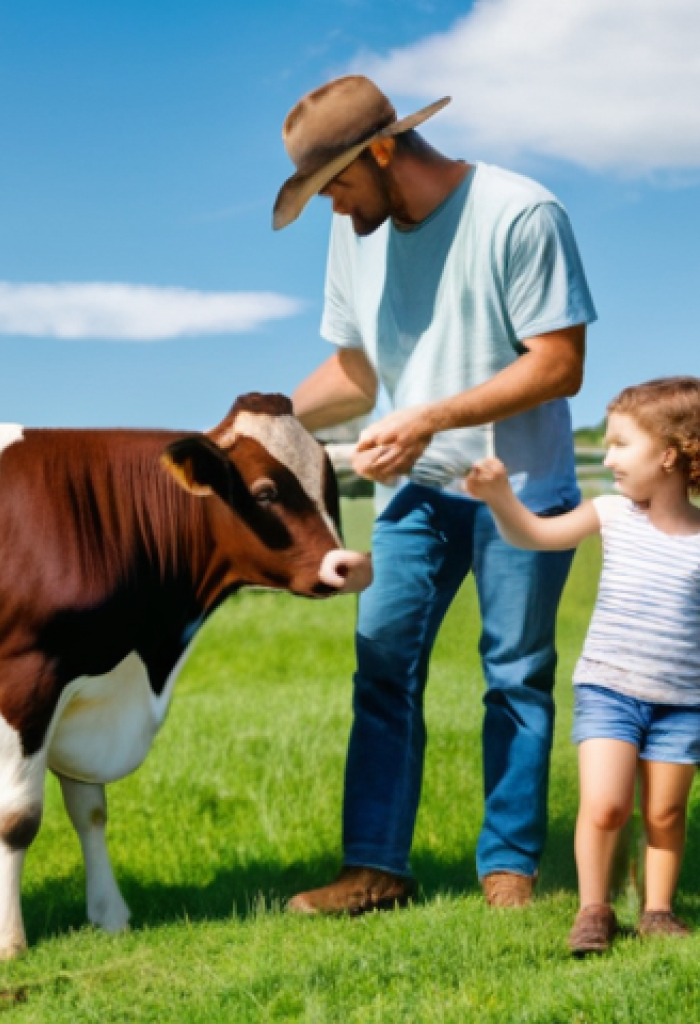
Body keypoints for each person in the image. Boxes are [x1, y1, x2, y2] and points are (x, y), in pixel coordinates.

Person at [274, 75, 597, 914]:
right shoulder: (359, 233)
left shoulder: (522, 214)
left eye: (337, 186)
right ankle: (375, 869)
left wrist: (431, 418)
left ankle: (508, 875)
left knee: (515, 675)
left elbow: (560, 363)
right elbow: (354, 375)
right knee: (381, 666)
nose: (336, 210)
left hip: (519, 492)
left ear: (381, 151)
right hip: (416, 493)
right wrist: (254, 423)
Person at [466, 377, 700, 954]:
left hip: (684, 702)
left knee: (666, 812)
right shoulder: (612, 513)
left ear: (669, 455)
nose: (609, 456)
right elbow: (537, 535)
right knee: (606, 805)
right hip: (609, 690)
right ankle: (594, 909)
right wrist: (500, 497)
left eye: (621, 444)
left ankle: (658, 911)